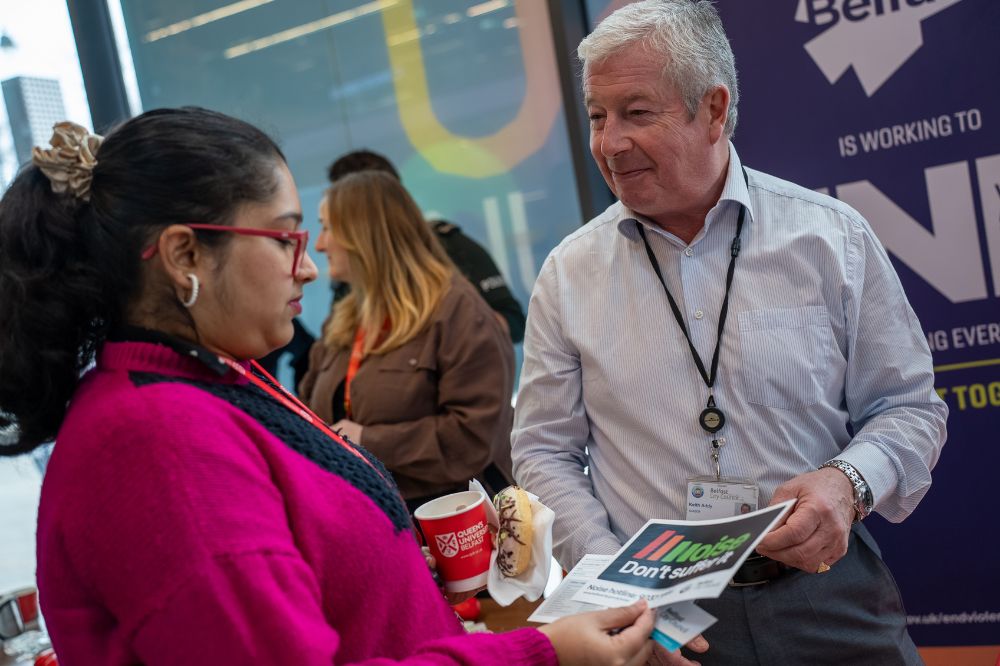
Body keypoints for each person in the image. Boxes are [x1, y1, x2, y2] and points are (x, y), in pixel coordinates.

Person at [0, 107, 659, 665]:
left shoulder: (212, 382)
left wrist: (411, 559)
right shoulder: (155, 442)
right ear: (184, 256)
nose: (310, 269)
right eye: (285, 239)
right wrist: (541, 653)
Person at [511, 2, 947, 665]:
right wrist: (617, 589)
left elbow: (910, 408)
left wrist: (848, 483)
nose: (608, 143)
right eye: (597, 117)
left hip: (827, 597)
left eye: (635, 113)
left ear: (713, 110)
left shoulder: (830, 240)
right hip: (663, 615)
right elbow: (544, 450)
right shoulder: (568, 274)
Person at [299, 171, 515, 515]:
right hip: (373, 515)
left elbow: (473, 436)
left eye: (327, 227)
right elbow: (311, 411)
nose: (320, 244)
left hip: (455, 527)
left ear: (364, 234)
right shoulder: (343, 320)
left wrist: (368, 441)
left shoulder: (456, 310)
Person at [328, 150, 527, 343]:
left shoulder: (450, 246)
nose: (323, 243)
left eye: (344, 207)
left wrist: (454, 327)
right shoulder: (349, 271)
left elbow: (514, 323)